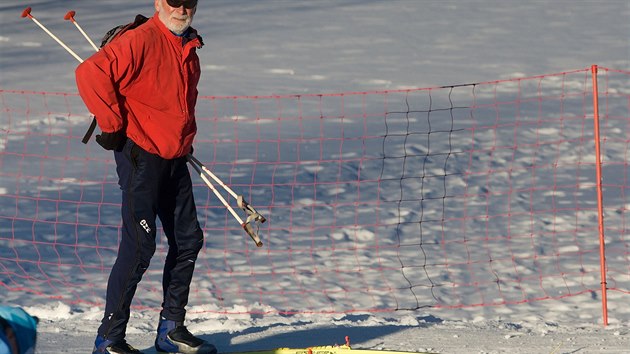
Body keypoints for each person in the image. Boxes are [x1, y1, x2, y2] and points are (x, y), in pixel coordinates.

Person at [75, 0, 216, 353]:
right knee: (140, 246)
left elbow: (174, 102)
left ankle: (171, 328)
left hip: (174, 157)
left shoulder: (189, 45)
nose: (182, 9)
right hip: (141, 156)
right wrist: (110, 124)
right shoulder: (142, 39)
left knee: (188, 240)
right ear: (158, 3)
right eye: (174, 2)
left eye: (189, 2)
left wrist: (181, 141)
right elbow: (90, 73)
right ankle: (109, 339)